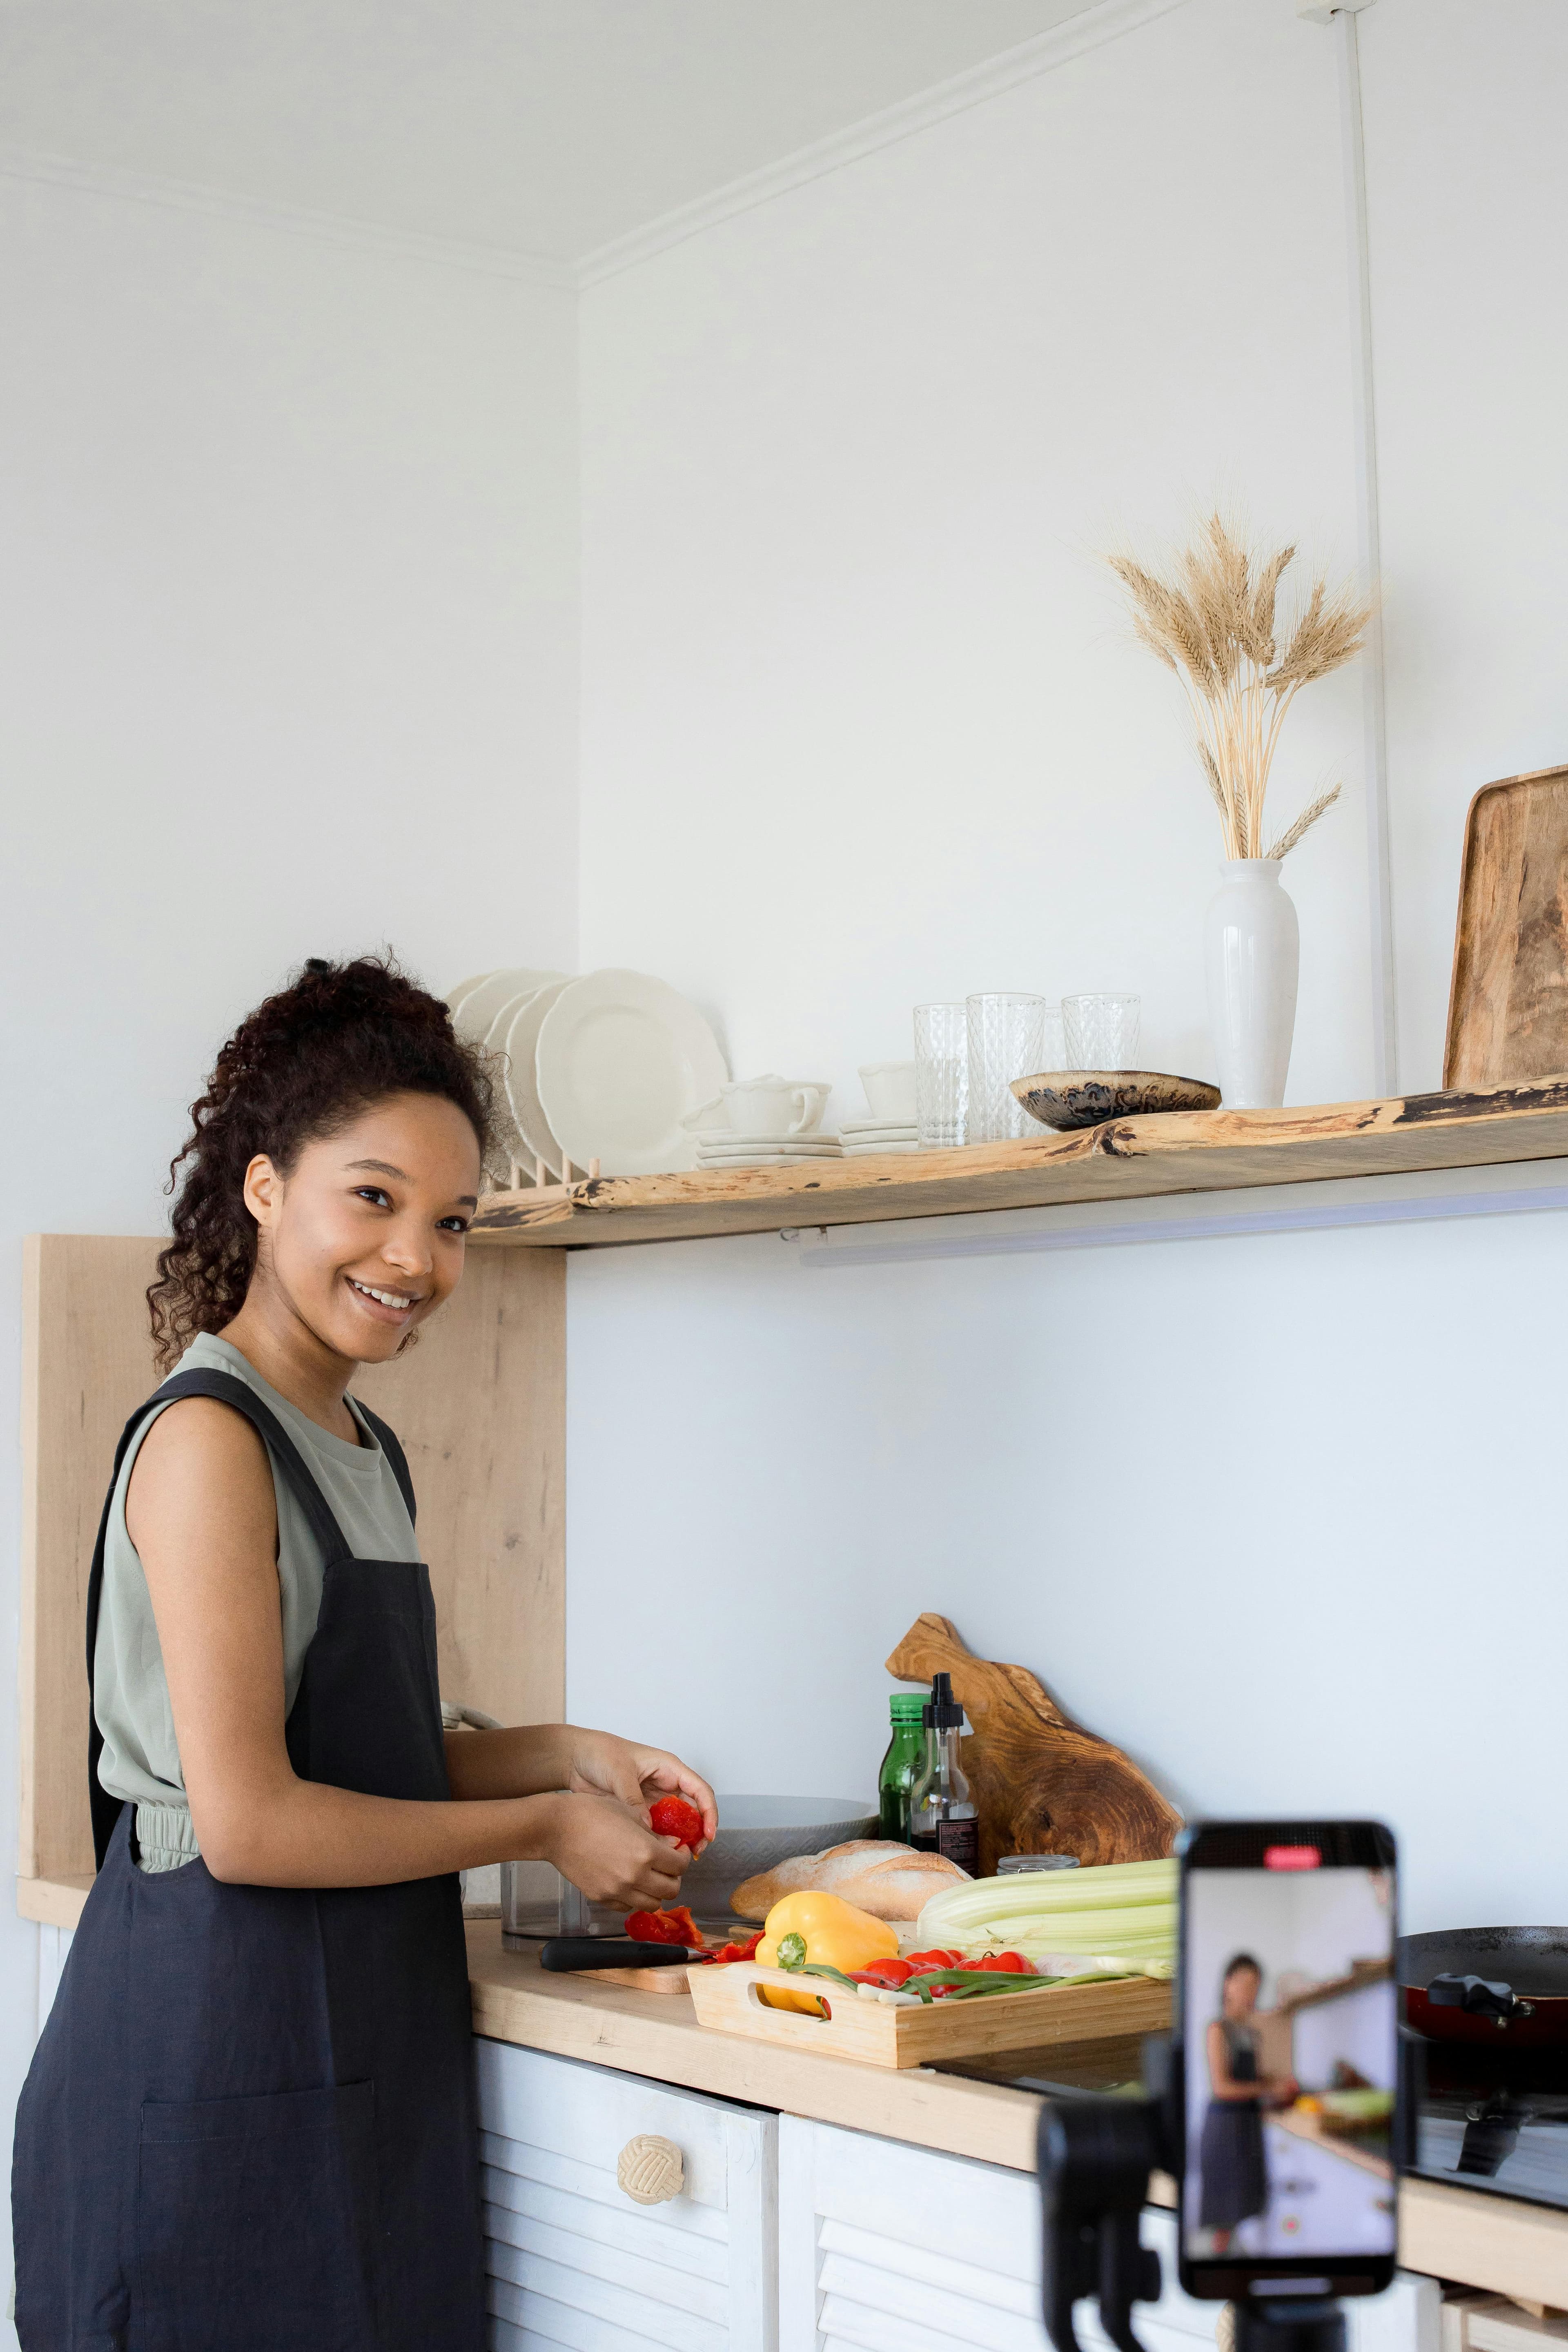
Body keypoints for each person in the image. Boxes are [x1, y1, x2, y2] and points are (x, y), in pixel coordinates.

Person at [11, 955, 716, 2351]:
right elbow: (255, 1822)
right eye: (374, 1199)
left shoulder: (360, 1442)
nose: (416, 1260)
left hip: (348, 2054)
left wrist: (576, 1752)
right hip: (206, 2067)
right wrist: (540, 1823)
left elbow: (370, 1753)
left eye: (451, 1222)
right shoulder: (212, 1440)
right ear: (266, 1188)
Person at [1197, 1952, 1297, 2253]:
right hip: (1225, 2129)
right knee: (1224, 2216)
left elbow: (1253, 2075)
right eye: (1244, 1983)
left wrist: (1279, 2083)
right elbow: (1223, 2087)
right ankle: (1220, 2267)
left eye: (1255, 1985)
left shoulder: (1252, 2032)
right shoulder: (1218, 2030)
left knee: (1249, 2205)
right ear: (1227, 1985)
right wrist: (1269, 2087)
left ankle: (1244, 2262)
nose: (1250, 1992)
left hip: (1248, 2125)